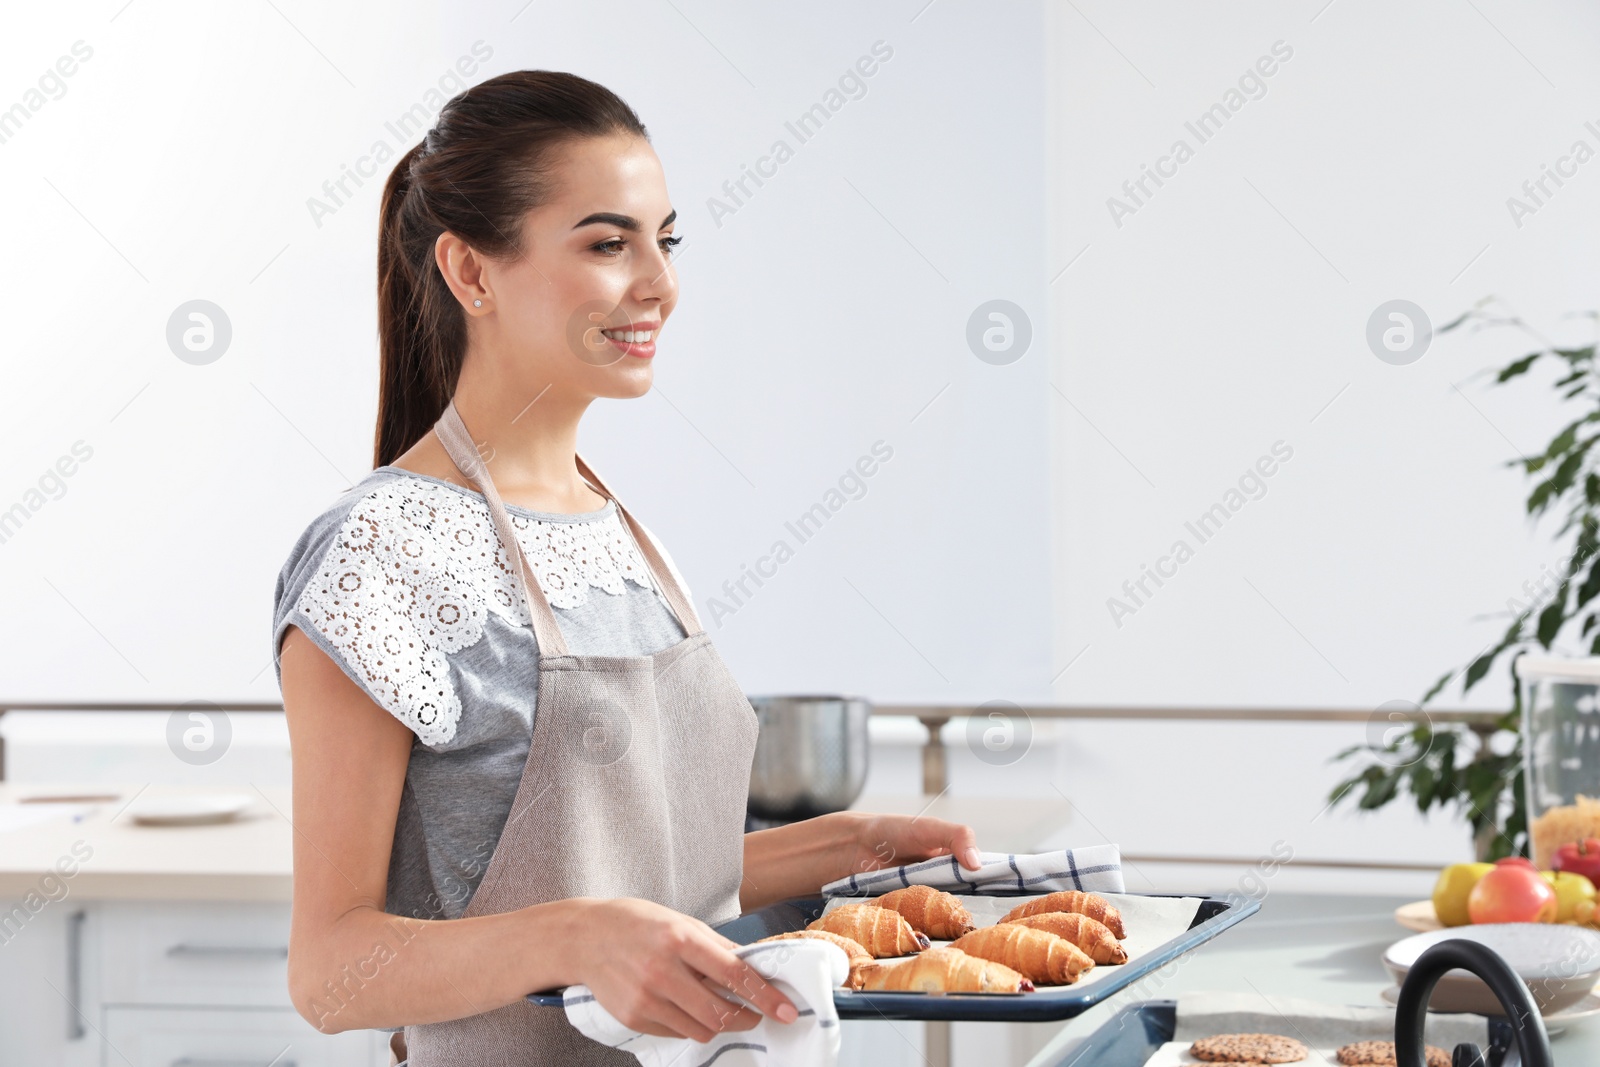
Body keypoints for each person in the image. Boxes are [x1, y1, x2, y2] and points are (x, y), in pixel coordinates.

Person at [270, 70, 981, 1065]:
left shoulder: (616, 531)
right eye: (608, 243)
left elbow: (644, 878)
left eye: (665, 239)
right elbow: (329, 972)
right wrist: (576, 938)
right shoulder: (381, 553)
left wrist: (844, 847)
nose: (659, 282)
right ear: (470, 273)